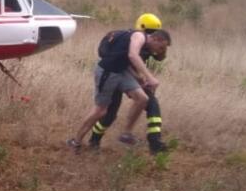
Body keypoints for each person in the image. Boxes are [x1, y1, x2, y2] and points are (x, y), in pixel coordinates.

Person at [67, 20, 171, 152]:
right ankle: (76, 141)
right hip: (107, 72)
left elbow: (125, 62)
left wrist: (140, 79)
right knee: (101, 111)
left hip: (122, 72)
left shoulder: (144, 44)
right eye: (161, 47)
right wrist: (150, 77)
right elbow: (132, 55)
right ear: (156, 38)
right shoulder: (139, 36)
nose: (158, 51)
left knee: (142, 99)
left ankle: (126, 134)